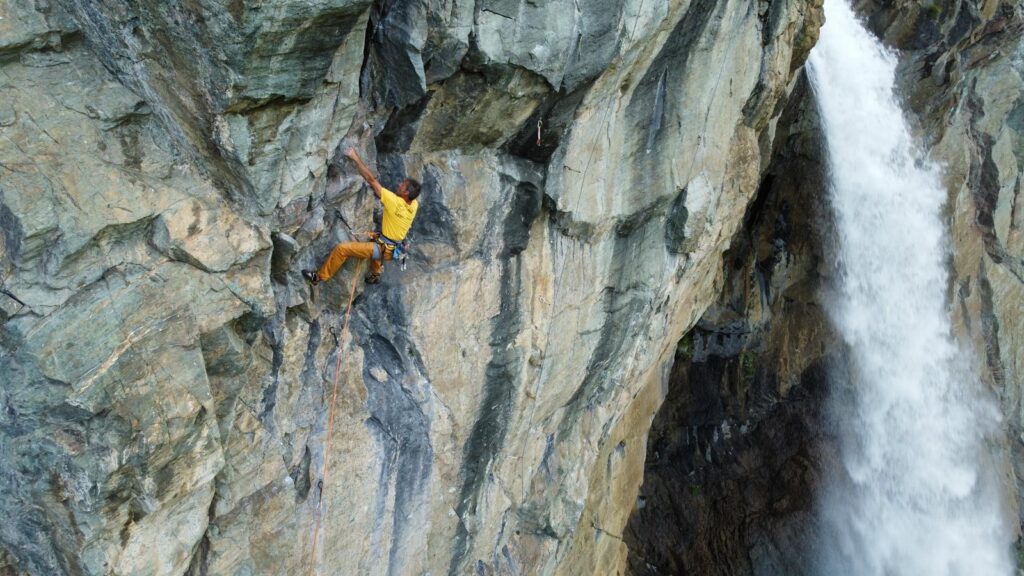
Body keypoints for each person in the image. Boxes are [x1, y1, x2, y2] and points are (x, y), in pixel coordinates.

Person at [303, 148, 421, 285]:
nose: (400, 184)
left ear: (406, 193)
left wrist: (355, 157)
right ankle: (375, 274)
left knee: (342, 249)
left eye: (403, 185)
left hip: (384, 247)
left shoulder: (394, 202)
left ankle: (318, 277)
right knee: (377, 244)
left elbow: (370, 180)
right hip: (392, 246)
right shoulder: (413, 205)